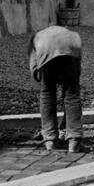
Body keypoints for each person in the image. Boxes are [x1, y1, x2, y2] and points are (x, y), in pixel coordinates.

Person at [28, 25, 83, 153]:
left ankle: (50, 139)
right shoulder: (69, 33)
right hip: (72, 47)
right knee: (72, 94)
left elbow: (34, 68)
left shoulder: (36, 38)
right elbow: (78, 61)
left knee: (47, 93)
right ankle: (74, 139)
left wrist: (41, 78)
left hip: (47, 50)